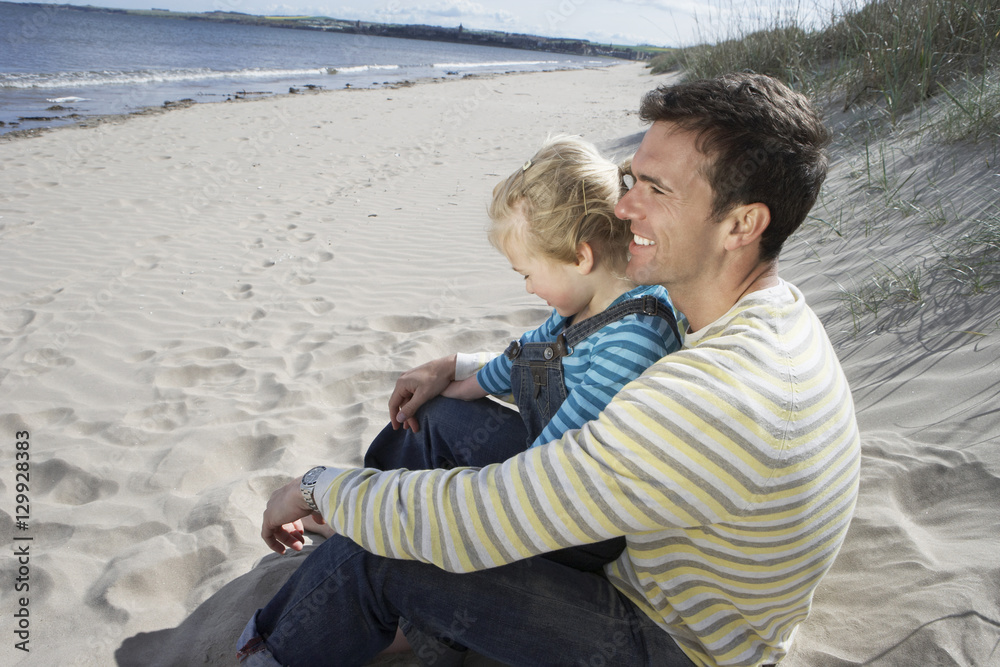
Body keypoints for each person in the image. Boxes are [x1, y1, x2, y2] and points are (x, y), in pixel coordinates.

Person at [237, 73, 861, 667]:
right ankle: (378, 599)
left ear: (743, 224)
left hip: (673, 640)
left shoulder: (708, 396)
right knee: (440, 423)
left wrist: (319, 486)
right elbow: (575, 343)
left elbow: (476, 522)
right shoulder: (746, 307)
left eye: (657, 191)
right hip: (647, 552)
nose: (623, 209)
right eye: (631, 179)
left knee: (384, 557)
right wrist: (458, 366)